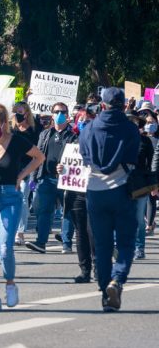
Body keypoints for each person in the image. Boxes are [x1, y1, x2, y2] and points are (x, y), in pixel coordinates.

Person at [0, 105, 44, 311]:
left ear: (4, 124)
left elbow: (39, 157)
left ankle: (11, 284)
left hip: (10, 197)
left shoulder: (16, 141)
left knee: (4, 247)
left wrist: (21, 176)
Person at [79, 88, 141, 312]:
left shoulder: (88, 129)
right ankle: (118, 279)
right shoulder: (130, 129)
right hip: (122, 190)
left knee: (102, 246)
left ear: (102, 105)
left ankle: (106, 291)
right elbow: (134, 158)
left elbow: (84, 158)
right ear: (124, 105)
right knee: (125, 242)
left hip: (95, 191)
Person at [25, 102, 78, 254]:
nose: (59, 114)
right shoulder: (45, 134)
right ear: (52, 114)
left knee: (67, 211)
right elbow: (38, 156)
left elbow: (77, 158)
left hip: (65, 180)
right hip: (46, 178)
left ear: (67, 115)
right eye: (56, 111)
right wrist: (34, 177)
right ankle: (41, 242)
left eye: (62, 111)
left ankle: (66, 243)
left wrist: (66, 167)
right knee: (44, 211)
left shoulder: (73, 136)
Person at [59, 108, 96, 284]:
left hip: (94, 191)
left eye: (87, 120)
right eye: (80, 120)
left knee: (92, 230)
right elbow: (60, 162)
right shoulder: (71, 140)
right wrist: (59, 168)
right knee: (80, 232)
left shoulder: (99, 140)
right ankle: (84, 270)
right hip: (75, 191)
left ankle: (98, 266)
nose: (83, 123)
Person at [124, 110, 155, 261]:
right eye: (128, 120)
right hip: (121, 183)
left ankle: (139, 248)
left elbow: (152, 165)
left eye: (134, 121)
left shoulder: (146, 141)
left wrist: (154, 184)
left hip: (140, 184)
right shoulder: (117, 140)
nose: (131, 123)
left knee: (138, 219)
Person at [11, 101, 41, 245]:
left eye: (20, 111)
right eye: (15, 111)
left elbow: (39, 153)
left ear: (27, 113)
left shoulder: (35, 130)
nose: (17, 114)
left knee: (23, 200)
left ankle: (20, 232)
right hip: (11, 170)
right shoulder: (9, 129)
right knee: (13, 200)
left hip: (29, 170)